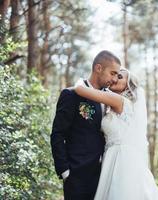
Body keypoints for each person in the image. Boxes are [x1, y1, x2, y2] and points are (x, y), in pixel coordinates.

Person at [74, 67, 158, 200]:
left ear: (128, 85)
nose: (114, 79)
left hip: (121, 160)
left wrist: (79, 81)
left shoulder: (119, 101)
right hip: (115, 157)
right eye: (114, 75)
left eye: (120, 77)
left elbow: (80, 90)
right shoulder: (120, 105)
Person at [50, 50, 121, 200]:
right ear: (98, 68)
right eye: (112, 73)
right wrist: (65, 171)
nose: (114, 79)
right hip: (77, 176)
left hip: (104, 175)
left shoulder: (110, 99)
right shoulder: (71, 95)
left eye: (117, 75)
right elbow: (58, 134)